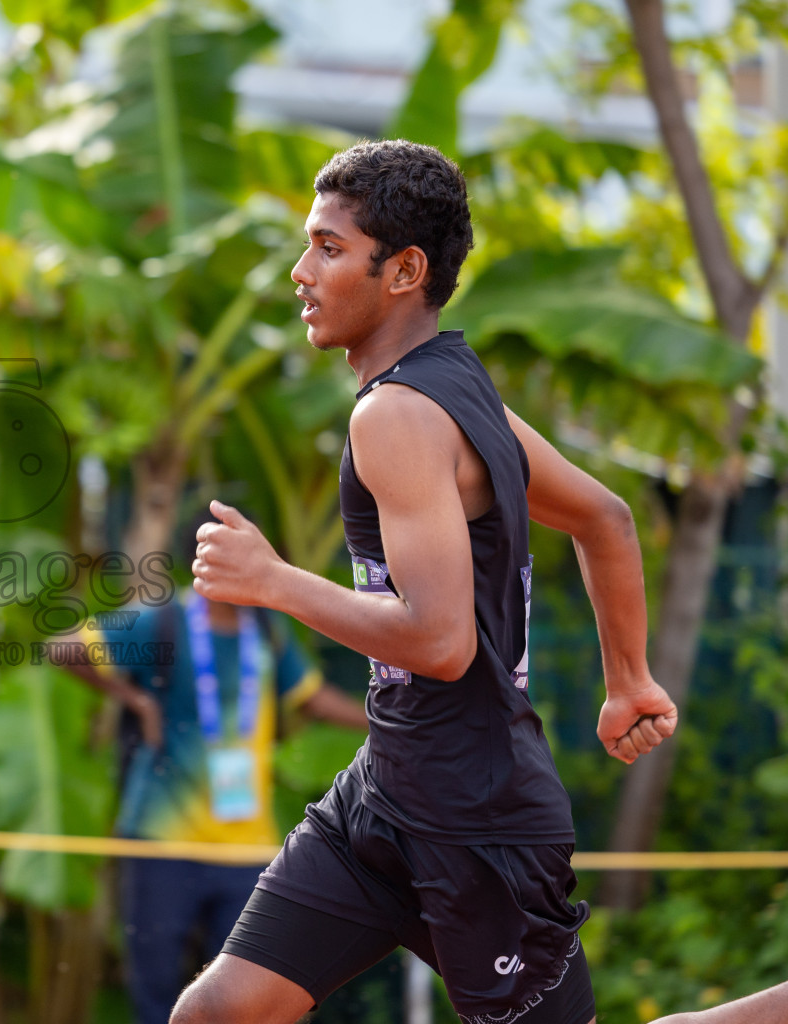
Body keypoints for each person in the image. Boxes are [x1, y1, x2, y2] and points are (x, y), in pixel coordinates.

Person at [177, 139, 742, 1024]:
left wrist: (277, 581)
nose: (301, 271)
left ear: (403, 270)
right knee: (218, 1013)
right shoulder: (457, 388)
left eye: (328, 248)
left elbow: (441, 644)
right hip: (386, 797)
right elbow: (605, 519)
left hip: (476, 820)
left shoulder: (395, 415)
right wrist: (626, 680)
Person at [98, 511, 367, 1024]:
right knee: (155, 994)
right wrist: (133, 700)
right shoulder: (160, 620)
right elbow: (65, 647)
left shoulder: (266, 630)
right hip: (162, 842)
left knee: (247, 1002)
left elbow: (311, 698)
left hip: (247, 847)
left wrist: (389, 716)